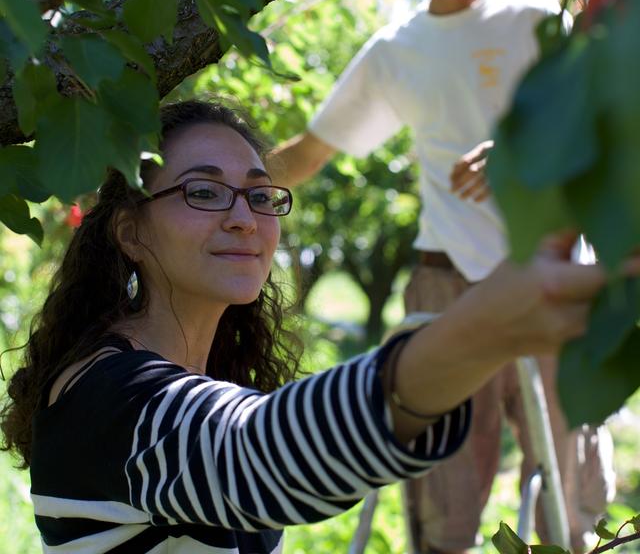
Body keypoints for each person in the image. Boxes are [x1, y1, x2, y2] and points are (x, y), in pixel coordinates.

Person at [0, 100, 619, 554]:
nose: (244, 218)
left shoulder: (190, 375)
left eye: (260, 195)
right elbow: (259, 454)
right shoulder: (109, 397)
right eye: (203, 192)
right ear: (130, 231)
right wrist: (485, 329)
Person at [268, 0, 615, 553]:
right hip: (445, 281)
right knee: (442, 507)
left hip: (550, 276)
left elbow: (603, 121)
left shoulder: (536, 21)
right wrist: (193, 180)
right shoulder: (398, 49)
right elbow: (309, 154)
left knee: (568, 498)